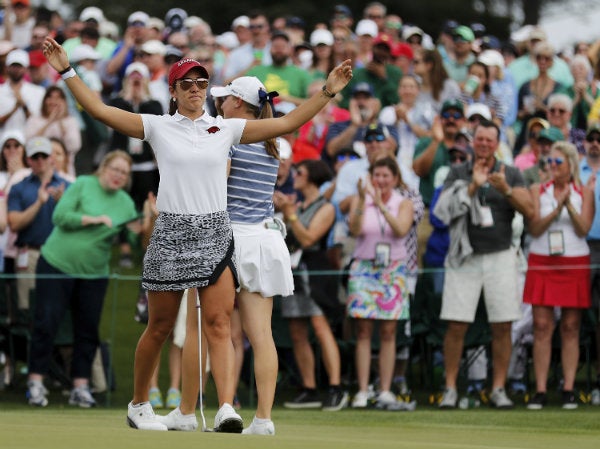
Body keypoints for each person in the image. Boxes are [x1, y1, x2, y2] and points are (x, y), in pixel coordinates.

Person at [42, 36, 352, 431]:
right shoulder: (156, 126)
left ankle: (225, 408)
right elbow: (100, 110)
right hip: (171, 231)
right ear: (172, 91)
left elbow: (289, 122)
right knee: (159, 328)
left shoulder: (225, 128)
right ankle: (139, 405)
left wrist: (327, 91)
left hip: (214, 232)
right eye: (186, 84)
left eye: (201, 83)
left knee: (220, 325)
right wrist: (67, 70)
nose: (195, 89)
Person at [207, 76, 294, 435]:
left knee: (220, 330)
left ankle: (226, 409)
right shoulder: (273, 142)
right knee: (262, 336)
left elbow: (217, 182)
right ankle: (263, 419)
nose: (219, 104)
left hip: (233, 238)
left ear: (238, 104)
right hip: (263, 240)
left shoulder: (229, 134)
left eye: (225, 99)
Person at [25, 150, 139, 407]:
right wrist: (93, 219)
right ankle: (35, 383)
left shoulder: (125, 202)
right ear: (104, 168)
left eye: (124, 173)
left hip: (94, 273)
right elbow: (59, 217)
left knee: (87, 330)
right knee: (46, 323)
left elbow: (133, 237)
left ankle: (80, 386)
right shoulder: (83, 185)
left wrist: (145, 223)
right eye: (115, 169)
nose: (119, 176)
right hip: (56, 263)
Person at [433, 120, 533, 409]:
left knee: (502, 324)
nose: (484, 144)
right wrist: (472, 187)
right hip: (465, 256)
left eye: (490, 140)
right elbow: (442, 213)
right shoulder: (457, 171)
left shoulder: (510, 173)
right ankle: (451, 387)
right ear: (472, 142)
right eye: (480, 139)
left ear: (498, 143)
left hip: (501, 255)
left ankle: (498, 388)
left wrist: (507, 190)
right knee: (456, 323)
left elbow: (530, 211)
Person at [274, 159, 348, 412]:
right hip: (293, 271)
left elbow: (308, 238)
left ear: (313, 177)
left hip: (315, 272)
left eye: (301, 172)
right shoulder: (298, 203)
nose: (296, 175)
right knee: (297, 330)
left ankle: (336, 387)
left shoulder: (325, 208)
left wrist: (290, 214)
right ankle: (309, 388)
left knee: (320, 325)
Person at [524, 141, 593, 410]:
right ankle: (540, 389)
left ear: (571, 165)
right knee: (541, 326)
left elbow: (584, 228)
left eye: (558, 162)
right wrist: (555, 209)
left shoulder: (584, 192)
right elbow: (535, 228)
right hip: (543, 258)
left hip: (574, 260)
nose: (553, 167)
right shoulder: (536, 190)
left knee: (570, 327)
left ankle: (568, 387)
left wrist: (569, 206)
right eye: (550, 162)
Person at [347, 156, 414, 409]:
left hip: (393, 270)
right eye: (377, 175)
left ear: (395, 179)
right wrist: (364, 201)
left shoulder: (403, 202)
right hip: (364, 267)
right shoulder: (361, 199)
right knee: (363, 331)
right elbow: (354, 229)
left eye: (386, 176)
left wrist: (381, 205)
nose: (381, 180)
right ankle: (363, 390)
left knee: (388, 331)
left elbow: (400, 230)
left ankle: (385, 389)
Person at [7, 136, 69, 313]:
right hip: (30, 253)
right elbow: (15, 224)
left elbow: (76, 222)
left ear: (51, 158)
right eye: (36, 157)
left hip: (59, 255)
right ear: (28, 160)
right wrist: (38, 203)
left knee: (57, 307)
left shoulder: (69, 186)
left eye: (44, 155)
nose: (40, 160)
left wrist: (61, 202)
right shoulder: (19, 187)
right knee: (27, 308)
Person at [25, 85, 81, 177]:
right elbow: (29, 143)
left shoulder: (71, 121)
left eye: (58, 98)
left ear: (64, 102)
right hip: (39, 170)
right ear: (44, 101)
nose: (53, 101)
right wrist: (49, 122)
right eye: (50, 97)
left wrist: (60, 121)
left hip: (65, 170)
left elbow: (74, 146)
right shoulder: (34, 119)